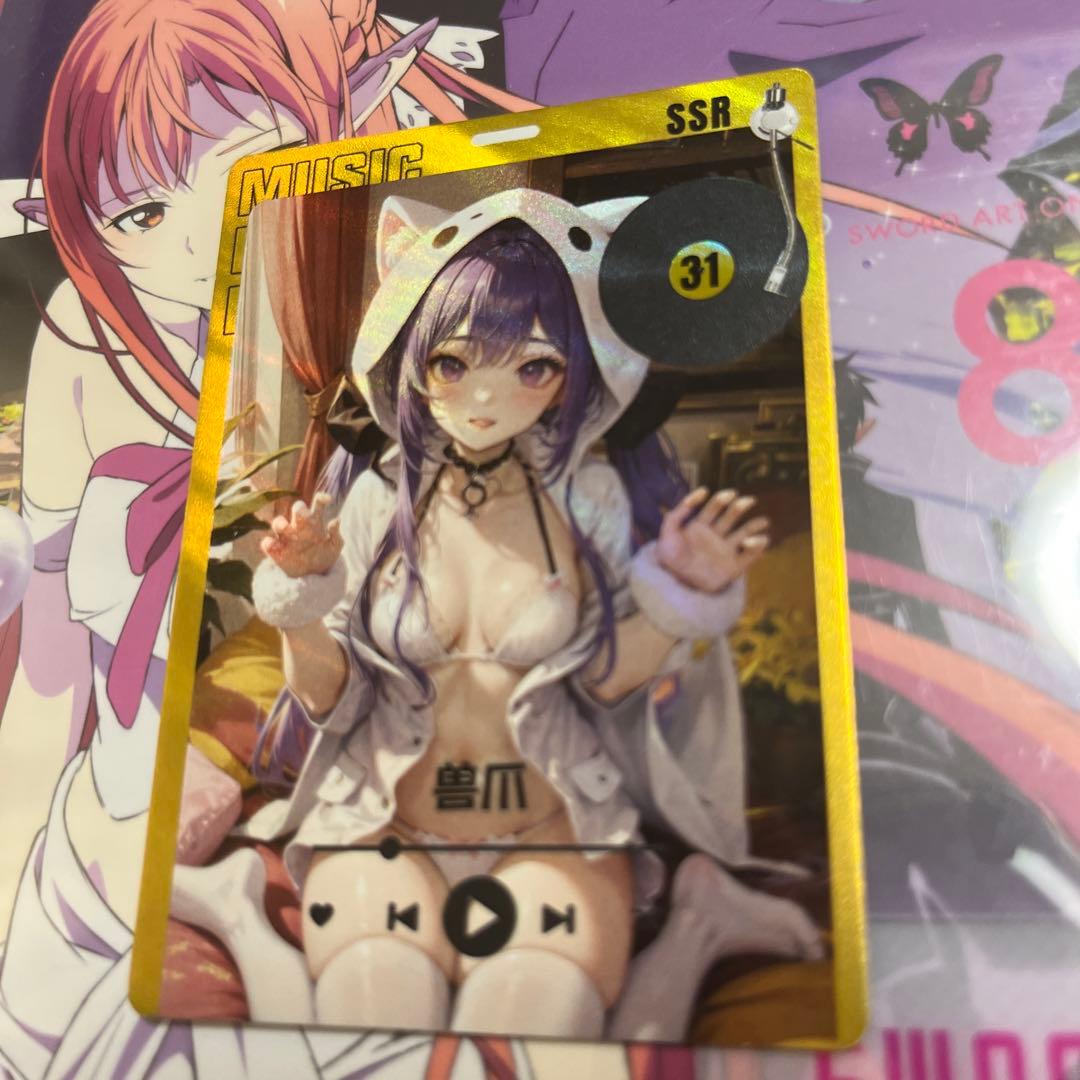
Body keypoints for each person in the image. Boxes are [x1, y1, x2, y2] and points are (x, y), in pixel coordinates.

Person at [0, 1, 530, 1074]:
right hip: (110, 810)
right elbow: (54, 663)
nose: (202, 237)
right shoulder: (82, 346)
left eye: (255, 170)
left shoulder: (370, 345)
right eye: (144, 210)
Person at [174, 190, 823, 1041]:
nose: (484, 397)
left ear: (577, 371)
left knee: (541, 1023)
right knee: (373, 1022)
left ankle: (697, 926)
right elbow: (329, 701)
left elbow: (604, 686)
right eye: (451, 363)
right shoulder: (371, 501)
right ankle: (238, 911)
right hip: (382, 826)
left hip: (552, 832)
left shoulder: (593, 498)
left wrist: (679, 600)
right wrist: (301, 601)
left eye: (533, 367)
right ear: (408, 357)